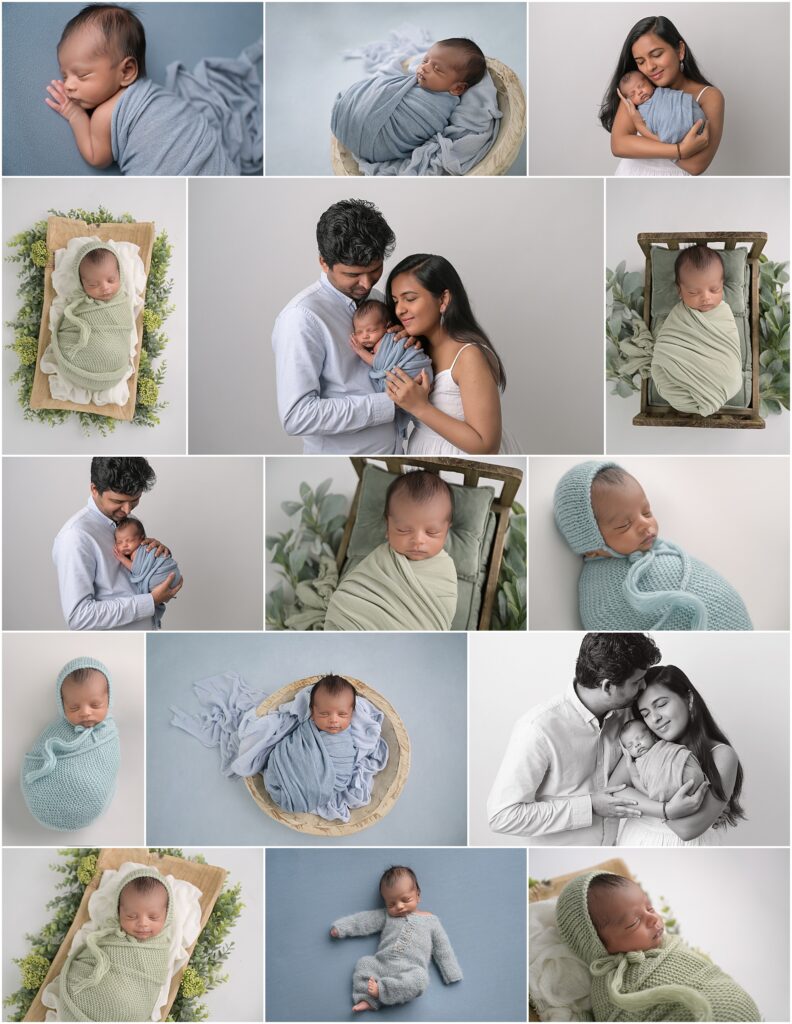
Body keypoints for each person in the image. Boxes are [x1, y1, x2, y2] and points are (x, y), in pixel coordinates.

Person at [552, 461, 753, 630]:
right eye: (624, 525)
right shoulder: (601, 592)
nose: (645, 525)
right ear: (590, 544)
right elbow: (607, 622)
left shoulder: (662, 553)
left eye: (646, 512)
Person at [272, 199, 402, 454]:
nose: (366, 284)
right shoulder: (301, 318)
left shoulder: (376, 300)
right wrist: (391, 403)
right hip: (347, 462)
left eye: (375, 270)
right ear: (323, 262)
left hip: (398, 453)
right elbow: (297, 416)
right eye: (353, 275)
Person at [555, 872, 761, 1021]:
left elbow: (706, 972)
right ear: (597, 944)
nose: (653, 919)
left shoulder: (669, 945)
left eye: (649, 907)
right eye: (633, 923)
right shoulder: (611, 988)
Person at [382, 254, 510, 455]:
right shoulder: (416, 349)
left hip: (465, 466)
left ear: (443, 299)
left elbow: (486, 446)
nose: (399, 309)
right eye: (396, 300)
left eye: (410, 299)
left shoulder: (469, 356)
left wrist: (420, 407)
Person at [613, 665, 745, 846]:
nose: (655, 718)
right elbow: (613, 790)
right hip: (635, 841)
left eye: (661, 704)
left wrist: (641, 794)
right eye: (645, 714)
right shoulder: (646, 746)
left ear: (689, 699)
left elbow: (687, 829)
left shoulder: (721, 755)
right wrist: (667, 809)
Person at [52, 456, 182, 630]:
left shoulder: (129, 521)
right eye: (118, 501)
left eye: (134, 499)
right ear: (94, 489)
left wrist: (155, 560)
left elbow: (135, 579)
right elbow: (79, 617)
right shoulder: (75, 536)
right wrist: (150, 601)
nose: (127, 510)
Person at [324, 471, 458, 631]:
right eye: (403, 530)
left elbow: (441, 616)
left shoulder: (445, 569)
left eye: (432, 532)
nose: (418, 540)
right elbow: (354, 593)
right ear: (388, 527)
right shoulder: (381, 560)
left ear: (446, 531)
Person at [599, 15, 723, 176]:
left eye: (656, 54)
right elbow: (619, 145)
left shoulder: (708, 96)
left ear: (680, 50)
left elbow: (696, 165)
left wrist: (641, 129)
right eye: (640, 61)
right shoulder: (639, 90)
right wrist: (680, 149)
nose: (649, 67)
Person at [330, 865, 463, 1013]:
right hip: (382, 963)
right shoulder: (387, 916)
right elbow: (363, 920)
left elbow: (443, 949)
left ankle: (382, 990)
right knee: (365, 963)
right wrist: (341, 928)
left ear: (418, 895)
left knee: (420, 979)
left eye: (406, 899)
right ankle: (367, 999)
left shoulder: (431, 921)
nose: (399, 906)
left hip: (410, 969)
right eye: (391, 904)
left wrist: (452, 973)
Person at [331, 38, 487, 163]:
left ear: (457, 89)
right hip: (359, 124)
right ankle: (352, 114)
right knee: (372, 90)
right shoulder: (411, 83)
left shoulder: (439, 107)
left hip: (377, 144)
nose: (424, 68)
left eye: (437, 69)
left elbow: (421, 127)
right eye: (425, 61)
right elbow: (383, 89)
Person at [56, 868, 175, 1021]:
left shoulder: (160, 948)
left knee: (130, 1006)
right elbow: (88, 960)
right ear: (118, 912)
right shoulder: (110, 937)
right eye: (131, 916)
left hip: (129, 1006)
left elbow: (149, 987)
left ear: (167, 914)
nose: (142, 924)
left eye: (153, 917)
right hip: (86, 992)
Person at [21, 656, 120, 831]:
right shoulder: (57, 731)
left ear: (108, 700)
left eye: (95, 705)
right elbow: (37, 758)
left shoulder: (108, 732)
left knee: (93, 789)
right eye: (74, 708)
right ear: (62, 705)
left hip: (91, 795)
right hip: (50, 792)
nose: (86, 713)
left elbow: (109, 764)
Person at [647, 246, 742, 417]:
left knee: (733, 380)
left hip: (721, 378)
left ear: (722, 284)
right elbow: (667, 342)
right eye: (693, 292)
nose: (706, 297)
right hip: (679, 385)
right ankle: (701, 396)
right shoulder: (679, 314)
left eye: (714, 290)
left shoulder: (724, 313)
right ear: (680, 290)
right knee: (661, 373)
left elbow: (729, 344)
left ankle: (710, 394)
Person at [48, 242, 134, 393]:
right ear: (81, 284)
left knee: (113, 352)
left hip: (113, 369)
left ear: (120, 274)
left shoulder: (122, 302)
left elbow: (124, 331)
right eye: (93, 285)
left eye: (111, 280)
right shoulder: (79, 305)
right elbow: (68, 328)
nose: (105, 288)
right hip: (74, 365)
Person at [349, 299, 434, 440]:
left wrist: (360, 350)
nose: (365, 336)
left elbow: (378, 363)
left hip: (414, 368)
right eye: (359, 332)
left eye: (372, 330)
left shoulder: (387, 340)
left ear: (387, 327)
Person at [616, 69, 705, 144]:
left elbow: (676, 98)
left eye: (641, 86)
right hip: (677, 135)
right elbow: (651, 131)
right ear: (629, 101)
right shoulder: (639, 113)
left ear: (649, 82)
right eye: (633, 94)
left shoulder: (663, 92)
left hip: (693, 115)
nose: (639, 92)